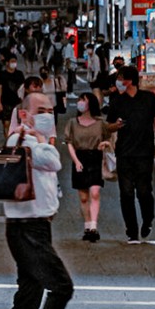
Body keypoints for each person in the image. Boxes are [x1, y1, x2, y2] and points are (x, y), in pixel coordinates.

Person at [2, 103, 75, 309]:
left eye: (49, 108)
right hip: (27, 228)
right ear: (24, 114)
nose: (47, 114)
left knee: (30, 290)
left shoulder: (26, 140)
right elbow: (54, 161)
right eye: (40, 109)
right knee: (62, 285)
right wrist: (43, 139)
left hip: (33, 226)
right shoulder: (24, 141)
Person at [105, 64, 155, 243]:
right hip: (123, 152)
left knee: (143, 191)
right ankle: (131, 230)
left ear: (129, 80)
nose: (118, 82)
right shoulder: (117, 101)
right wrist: (115, 126)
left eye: (120, 78)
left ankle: (148, 219)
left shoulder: (149, 98)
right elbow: (108, 125)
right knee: (126, 192)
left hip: (144, 152)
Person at [63, 94, 107, 242]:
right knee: (83, 196)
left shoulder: (100, 123)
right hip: (79, 157)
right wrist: (76, 161)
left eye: (83, 100)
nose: (80, 103)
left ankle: (94, 227)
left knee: (95, 192)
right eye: (79, 100)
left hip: (95, 157)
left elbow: (108, 138)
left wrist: (105, 144)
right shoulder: (72, 123)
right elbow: (69, 142)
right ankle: (87, 226)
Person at [0, 52, 25, 134]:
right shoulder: (2, 75)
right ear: (7, 63)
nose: (14, 63)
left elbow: (23, 87)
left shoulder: (19, 74)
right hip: (5, 102)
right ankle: (8, 141)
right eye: (12, 61)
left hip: (18, 102)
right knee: (6, 123)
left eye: (15, 61)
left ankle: (17, 140)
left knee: (19, 123)